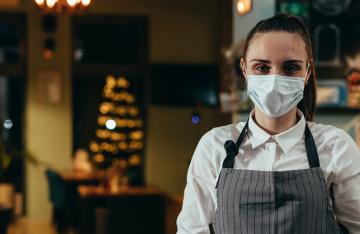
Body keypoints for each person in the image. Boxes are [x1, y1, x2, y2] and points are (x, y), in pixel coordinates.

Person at [176, 14, 360, 234]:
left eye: (290, 68)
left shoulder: (336, 145)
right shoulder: (214, 145)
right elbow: (191, 230)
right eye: (262, 68)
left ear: (307, 72)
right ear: (244, 69)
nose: (275, 80)